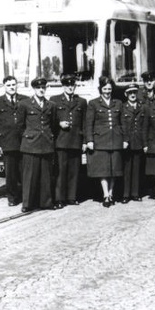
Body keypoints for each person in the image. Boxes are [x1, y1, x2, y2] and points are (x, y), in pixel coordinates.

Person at [17, 77, 58, 212]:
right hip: (30, 144)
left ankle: (46, 202)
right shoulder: (25, 104)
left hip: (46, 143)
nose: (41, 90)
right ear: (34, 89)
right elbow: (20, 126)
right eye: (38, 88)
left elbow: (53, 124)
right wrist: (29, 136)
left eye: (43, 88)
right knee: (29, 176)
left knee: (46, 175)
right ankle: (28, 204)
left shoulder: (51, 105)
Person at [0, 75, 28, 207]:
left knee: (25, 172)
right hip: (7, 144)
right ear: (4, 87)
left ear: (17, 85)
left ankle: (26, 197)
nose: (11, 87)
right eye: (9, 85)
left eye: (13, 85)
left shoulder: (25, 100)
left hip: (24, 143)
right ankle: (12, 198)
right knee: (10, 174)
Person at [49, 73, 87, 209]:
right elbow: (50, 121)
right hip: (61, 141)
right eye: (67, 85)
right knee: (60, 171)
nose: (70, 87)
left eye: (72, 85)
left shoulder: (81, 102)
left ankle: (72, 197)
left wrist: (84, 142)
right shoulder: (54, 100)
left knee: (74, 171)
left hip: (76, 140)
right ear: (63, 86)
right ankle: (59, 198)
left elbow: (85, 123)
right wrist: (59, 124)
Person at [85, 76, 124, 208]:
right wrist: (89, 140)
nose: (107, 91)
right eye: (105, 89)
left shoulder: (118, 103)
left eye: (109, 89)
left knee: (114, 169)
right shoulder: (93, 103)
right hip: (100, 141)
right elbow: (89, 124)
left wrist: (125, 139)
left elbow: (122, 123)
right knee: (103, 170)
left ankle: (111, 193)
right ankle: (105, 194)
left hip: (115, 140)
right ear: (100, 89)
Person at [121, 83, 145, 203]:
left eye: (134, 92)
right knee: (127, 169)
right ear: (126, 94)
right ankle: (126, 194)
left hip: (138, 141)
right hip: (127, 142)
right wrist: (124, 140)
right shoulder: (123, 107)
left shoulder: (142, 106)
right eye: (130, 93)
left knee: (137, 168)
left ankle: (135, 193)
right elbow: (121, 125)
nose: (132, 95)